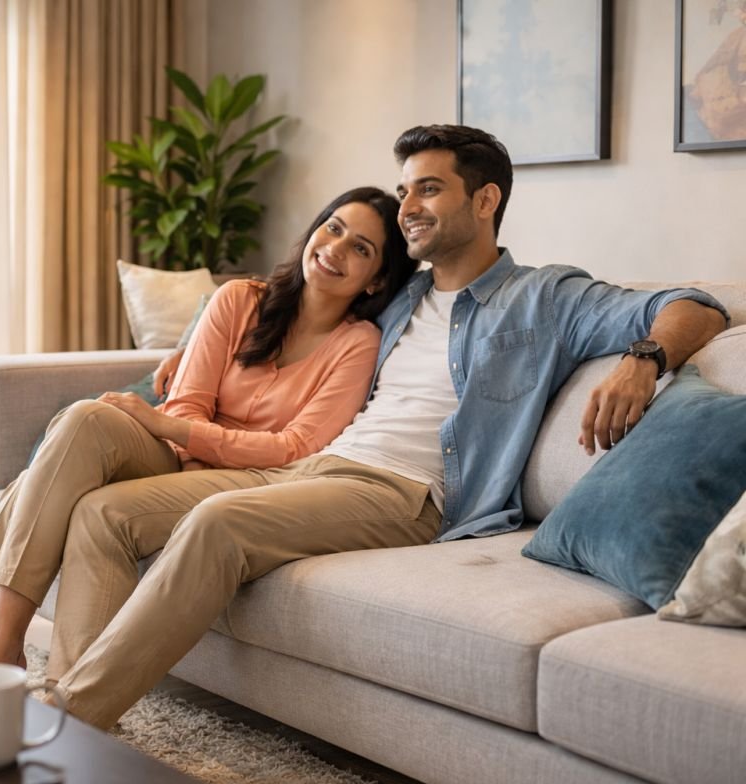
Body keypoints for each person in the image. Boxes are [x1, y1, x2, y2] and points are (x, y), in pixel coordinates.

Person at [44, 124, 730, 730]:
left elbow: (695, 306)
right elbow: (291, 301)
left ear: (484, 201)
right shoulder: (399, 297)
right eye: (405, 191)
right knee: (106, 514)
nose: (406, 209)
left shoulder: (546, 297)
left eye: (428, 190)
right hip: (315, 471)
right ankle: (59, 684)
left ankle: (71, 718)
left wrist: (643, 360)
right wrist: (192, 343)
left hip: (405, 492)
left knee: (218, 523)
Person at [0, 186, 421, 672]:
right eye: (333, 227)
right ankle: (0, 645)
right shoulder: (239, 299)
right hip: (174, 452)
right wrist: (188, 454)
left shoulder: (358, 345)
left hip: (252, 480)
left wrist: (183, 443)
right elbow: (189, 403)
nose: (335, 248)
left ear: (377, 280)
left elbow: (295, 448)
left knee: (36, 489)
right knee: (85, 418)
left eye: (361, 248)